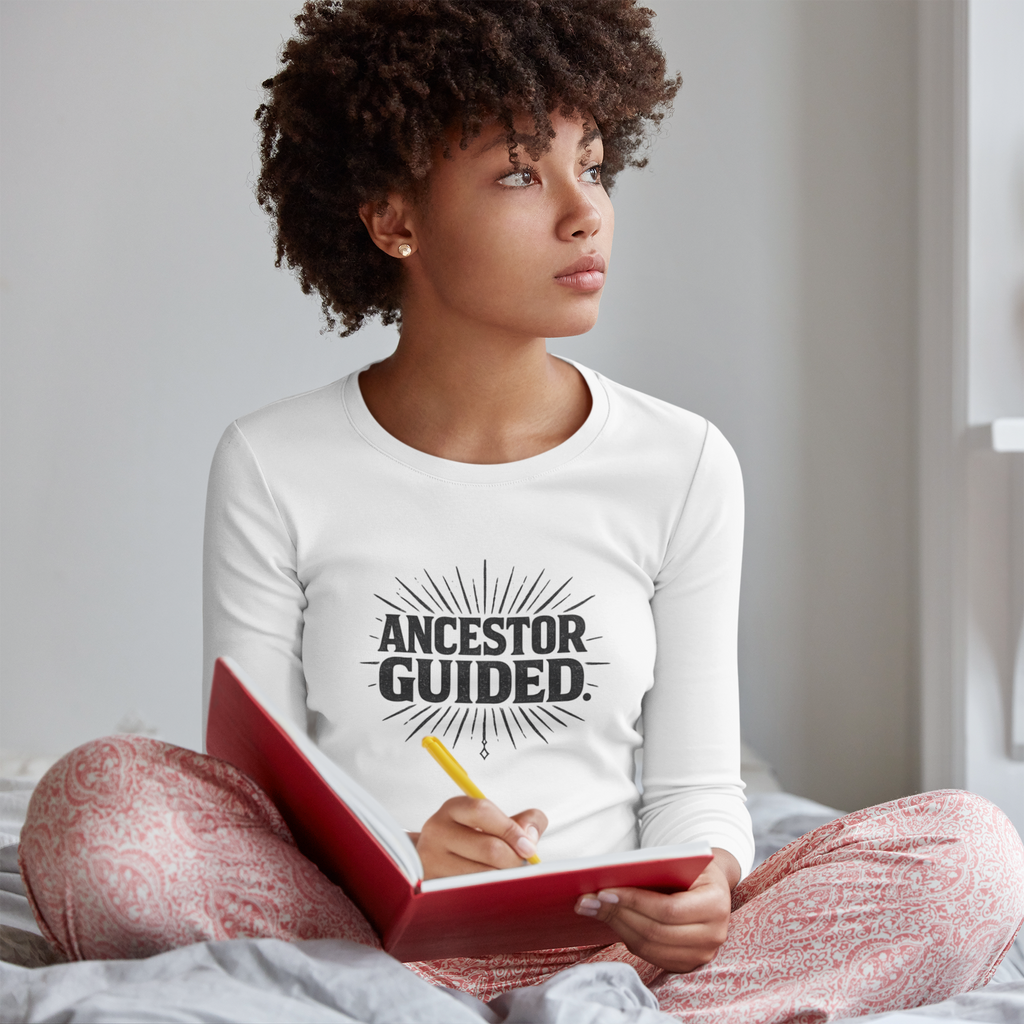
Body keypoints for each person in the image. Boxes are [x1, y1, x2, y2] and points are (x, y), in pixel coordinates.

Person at [18, 2, 1024, 1021]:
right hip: (363, 931)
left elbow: (694, 785)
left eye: (591, 165)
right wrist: (401, 852)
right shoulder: (274, 463)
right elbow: (257, 797)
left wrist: (711, 882)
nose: (583, 211)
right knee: (94, 805)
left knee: (972, 855)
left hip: (617, 950)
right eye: (517, 174)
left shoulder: (682, 463)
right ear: (392, 218)